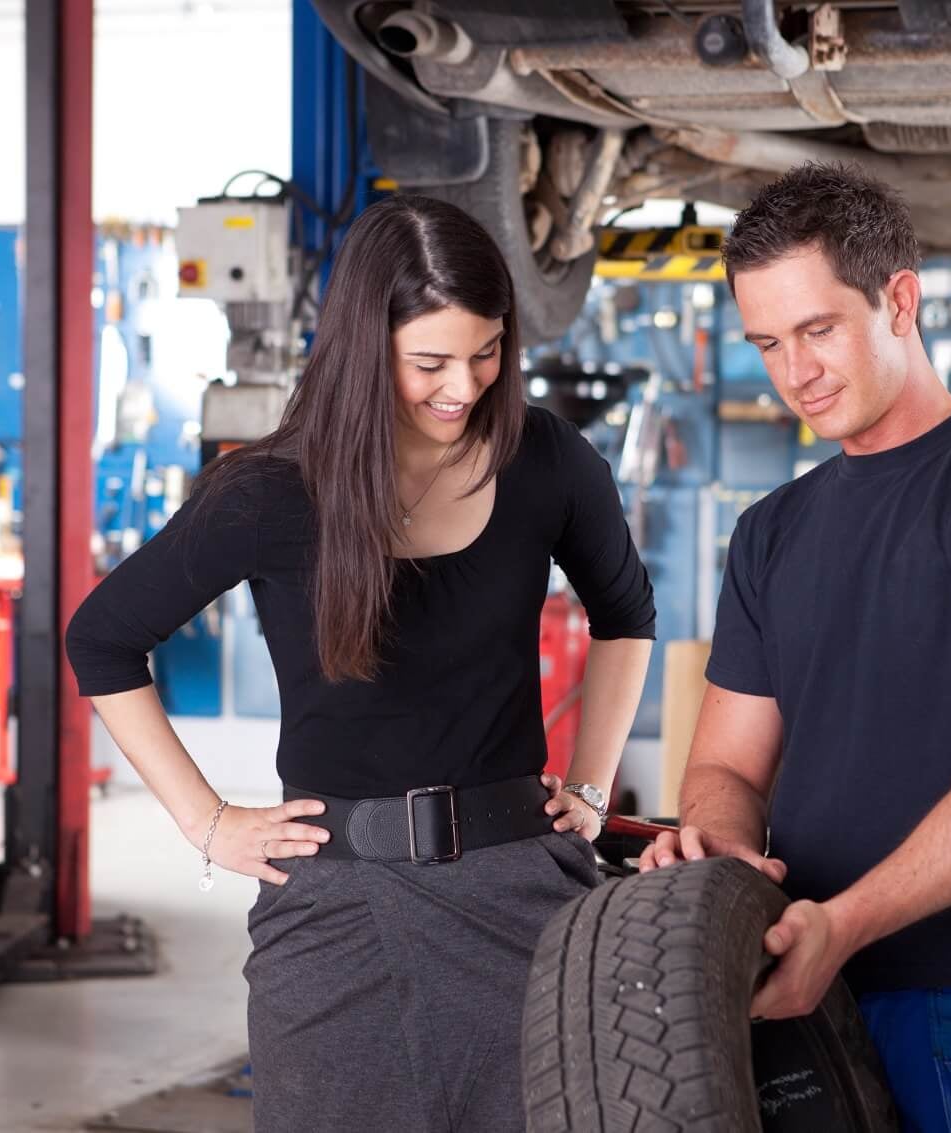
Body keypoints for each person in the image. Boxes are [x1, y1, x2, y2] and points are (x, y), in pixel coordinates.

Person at [64, 194, 655, 1133]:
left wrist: (588, 786)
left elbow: (627, 614)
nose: (462, 386)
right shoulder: (268, 492)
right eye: (430, 361)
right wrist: (208, 822)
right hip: (334, 909)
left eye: (488, 352)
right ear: (364, 346)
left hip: (520, 894)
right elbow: (100, 640)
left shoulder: (547, 459)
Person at [638, 163, 951, 1132]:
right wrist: (723, 857)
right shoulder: (769, 530)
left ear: (898, 300)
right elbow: (722, 764)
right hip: (807, 1006)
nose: (794, 371)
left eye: (817, 328)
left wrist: (845, 922)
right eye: (766, 342)